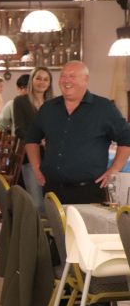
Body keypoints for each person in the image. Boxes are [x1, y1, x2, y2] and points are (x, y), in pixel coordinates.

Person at [25, 61, 130, 204]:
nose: (66, 80)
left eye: (72, 76)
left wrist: (114, 169)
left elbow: (126, 138)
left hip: (88, 191)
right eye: (63, 76)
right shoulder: (48, 108)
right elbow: (31, 138)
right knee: (52, 220)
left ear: (85, 80)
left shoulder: (104, 108)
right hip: (52, 190)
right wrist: (36, 168)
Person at [13, 67, 53, 210]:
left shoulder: (54, 103)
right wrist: (38, 140)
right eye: (38, 78)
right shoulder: (20, 101)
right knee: (36, 202)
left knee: (51, 201)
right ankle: (36, 225)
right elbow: (19, 130)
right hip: (30, 157)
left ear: (49, 83)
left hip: (52, 158)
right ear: (32, 80)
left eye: (46, 79)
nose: (42, 82)